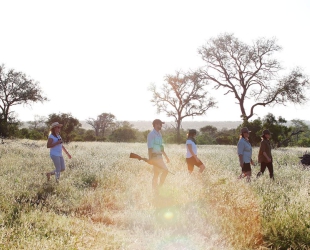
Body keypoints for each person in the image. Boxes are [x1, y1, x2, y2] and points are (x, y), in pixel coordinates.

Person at [147, 119, 170, 192]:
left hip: (160, 157)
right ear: (156, 124)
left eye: (161, 124)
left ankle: (156, 189)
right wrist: (150, 159)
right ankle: (157, 189)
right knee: (165, 171)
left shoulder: (160, 134)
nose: (161, 126)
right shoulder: (151, 134)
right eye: (159, 124)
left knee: (157, 174)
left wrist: (166, 157)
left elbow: (161, 147)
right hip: (154, 157)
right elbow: (150, 147)